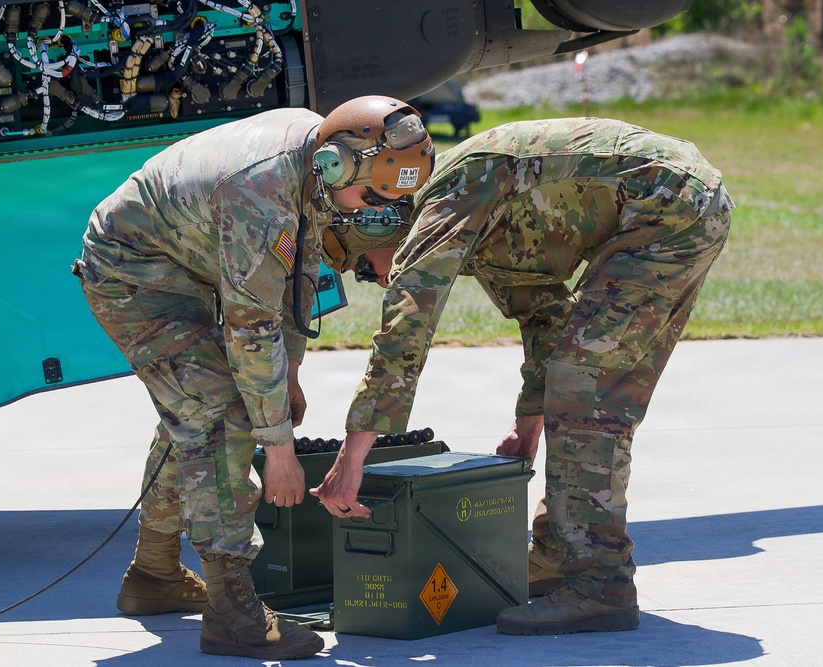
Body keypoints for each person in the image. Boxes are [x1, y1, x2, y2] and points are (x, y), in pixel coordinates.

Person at [311, 117, 733, 636]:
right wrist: (528, 424)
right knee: (579, 384)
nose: (375, 279)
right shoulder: (479, 222)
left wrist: (353, 459)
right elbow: (544, 316)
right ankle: (561, 558)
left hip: (668, 205)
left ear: (379, 223)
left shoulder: (449, 201)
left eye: (362, 266)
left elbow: (405, 334)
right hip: (678, 205)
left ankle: (601, 583)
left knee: (586, 394)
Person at [72, 95, 434, 659]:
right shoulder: (261, 191)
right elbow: (251, 329)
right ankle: (232, 612)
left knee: (193, 411)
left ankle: (154, 576)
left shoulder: (318, 164)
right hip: (133, 276)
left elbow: (298, 273)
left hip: (187, 267)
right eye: (370, 197)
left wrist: (290, 375)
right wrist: (278, 450)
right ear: (337, 165)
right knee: (222, 417)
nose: (371, 212)